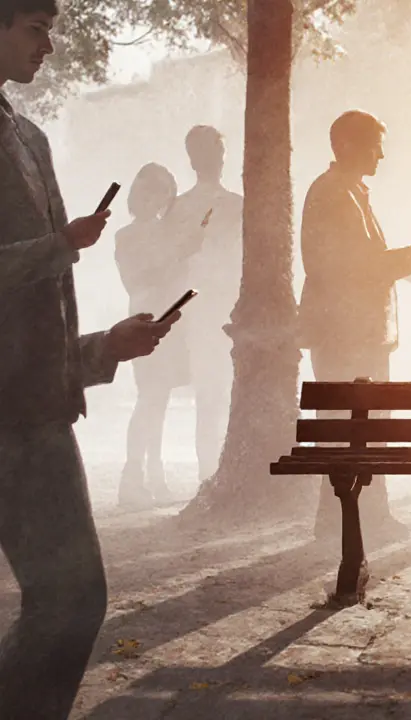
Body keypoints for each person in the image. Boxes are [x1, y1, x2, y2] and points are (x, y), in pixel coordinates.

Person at [0, 2, 178, 716]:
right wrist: (57, 246)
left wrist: (104, 347)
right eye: (35, 27)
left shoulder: (29, 135)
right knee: (70, 598)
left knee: (72, 598)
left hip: (34, 410)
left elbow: (31, 315)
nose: (50, 44)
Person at [299, 110, 411, 539]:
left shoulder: (346, 193)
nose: (381, 154)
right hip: (347, 334)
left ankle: (362, 516)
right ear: (347, 145)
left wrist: (409, 259)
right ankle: (343, 519)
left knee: (361, 424)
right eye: (374, 144)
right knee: (348, 425)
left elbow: (360, 264)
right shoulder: (333, 194)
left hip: (358, 333)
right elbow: (350, 267)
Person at [167, 125, 243, 482]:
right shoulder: (184, 207)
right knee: (211, 393)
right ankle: (208, 473)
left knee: (220, 393)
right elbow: (176, 257)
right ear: (196, 158)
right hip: (205, 309)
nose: (219, 159)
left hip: (226, 306)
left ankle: (215, 472)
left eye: (220, 152)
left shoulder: (234, 203)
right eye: (214, 152)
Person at [115, 163, 189, 508]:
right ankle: (132, 479)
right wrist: (176, 256)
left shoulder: (168, 232)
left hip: (169, 323)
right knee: (149, 399)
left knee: (157, 402)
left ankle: (153, 476)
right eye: (147, 192)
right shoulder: (126, 236)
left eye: (160, 194)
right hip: (142, 321)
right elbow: (136, 279)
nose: (152, 200)